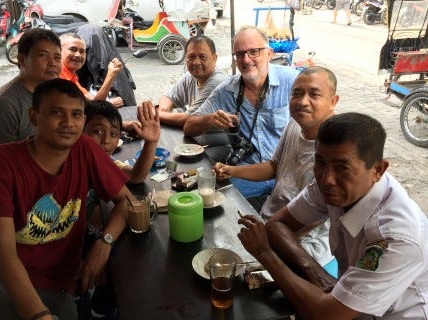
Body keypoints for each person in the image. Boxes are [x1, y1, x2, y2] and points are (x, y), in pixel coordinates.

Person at [0, 79, 132, 320]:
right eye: (56, 112)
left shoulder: (84, 148)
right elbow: (3, 252)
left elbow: (128, 202)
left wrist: (104, 244)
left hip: (59, 283)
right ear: (34, 116)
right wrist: (39, 315)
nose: (68, 123)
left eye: (76, 114)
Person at [238, 112, 428, 319]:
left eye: (342, 167)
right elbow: (277, 225)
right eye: (320, 162)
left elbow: (326, 314)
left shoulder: (396, 237)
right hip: (350, 299)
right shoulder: (338, 186)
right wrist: (315, 272)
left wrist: (265, 254)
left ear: (378, 170)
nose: (327, 179)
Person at [214, 66, 339, 277]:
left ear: (333, 101)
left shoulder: (335, 149)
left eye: (314, 94)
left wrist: (265, 246)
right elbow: (274, 166)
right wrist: (232, 171)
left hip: (303, 246)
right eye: (297, 93)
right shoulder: (294, 124)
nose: (303, 101)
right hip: (270, 223)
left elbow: (312, 219)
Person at [183, 26, 299, 198]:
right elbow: (189, 126)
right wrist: (210, 120)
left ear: (269, 53)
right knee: (208, 200)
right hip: (246, 173)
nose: (246, 60)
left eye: (253, 52)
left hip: (288, 173)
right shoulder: (226, 90)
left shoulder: (292, 81)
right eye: (239, 54)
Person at [0, 28, 62, 153]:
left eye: (57, 57)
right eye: (42, 55)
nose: (52, 63)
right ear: (21, 59)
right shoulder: (2, 106)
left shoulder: (54, 95)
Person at [83, 99, 159, 228]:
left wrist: (151, 142)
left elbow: (136, 176)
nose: (106, 140)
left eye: (113, 134)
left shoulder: (105, 163)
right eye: (97, 131)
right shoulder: (73, 161)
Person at [157, 35, 228, 127]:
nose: (196, 62)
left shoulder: (217, 82)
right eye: (191, 57)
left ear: (214, 59)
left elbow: (189, 118)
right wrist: (163, 110)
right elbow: (168, 97)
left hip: (215, 140)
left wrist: (157, 115)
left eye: (202, 57)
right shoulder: (191, 76)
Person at [59, 32, 124, 107]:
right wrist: (109, 104)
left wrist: (112, 73)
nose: (78, 55)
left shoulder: (71, 76)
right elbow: (95, 107)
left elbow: (94, 102)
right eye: (73, 49)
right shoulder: (57, 75)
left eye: (82, 51)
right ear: (58, 51)